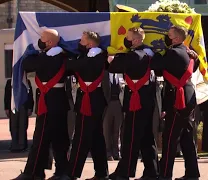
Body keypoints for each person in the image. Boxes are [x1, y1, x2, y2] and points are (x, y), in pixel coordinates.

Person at [12, 29, 70, 180]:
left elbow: (27, 64)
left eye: (42, 38)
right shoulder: (63, 56)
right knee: (59, 139)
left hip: (49, 102)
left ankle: (32, 172)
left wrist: (33, 52)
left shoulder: (48, 58)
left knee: (40, 138)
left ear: (50, 42)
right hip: (58, 101)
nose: (40, 41)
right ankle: (62, 172)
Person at [107, 27, 159, 180]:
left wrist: (113, 56)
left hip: (136, 100)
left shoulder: (133, 56)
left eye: (128, 37)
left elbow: (113, 67)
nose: (126, 39)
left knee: (130, 136)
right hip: (148, 98)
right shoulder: (150, 53)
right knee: (146, 137)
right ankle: (152, 170)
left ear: (136, 40)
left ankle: (124, 171)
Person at [153, 25, 200, 180]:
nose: (167, 37)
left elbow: (157, 66)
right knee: (186, 137)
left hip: (177, 98)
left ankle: (165, 174)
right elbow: (193, 68)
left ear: (178, 38)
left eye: (170, 35)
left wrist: (154, 51)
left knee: (170, 137)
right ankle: (192, 173)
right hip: (188, 96)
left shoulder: (173, 52)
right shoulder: (188, 52)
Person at [59, 31, 109, 180]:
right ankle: (101, 173)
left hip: (92, 99)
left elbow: (75, 65)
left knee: (81, 137)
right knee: (96, 138)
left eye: (82, 41)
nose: (79, 43)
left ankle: (72, 173)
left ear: (91, 44)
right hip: (89, 98)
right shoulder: (87, 56)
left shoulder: (97, 57)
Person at [4, 78, 34, 152]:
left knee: (23, 125)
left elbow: (30, 95)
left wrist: (30, 107)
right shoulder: (10, 82)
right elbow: (7, 95)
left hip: (23, 106)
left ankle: (22, 145)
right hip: (13, 106)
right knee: (13, 126)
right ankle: (14, 144)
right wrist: (6, 108)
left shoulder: (26, 81)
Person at [102, 71, 124, 161]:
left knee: (117, 129)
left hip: (118, 103)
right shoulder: (104, 74)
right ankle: (108, 152)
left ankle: (116, 151)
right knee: (107, 129)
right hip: (107, 104)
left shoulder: (121, 74)